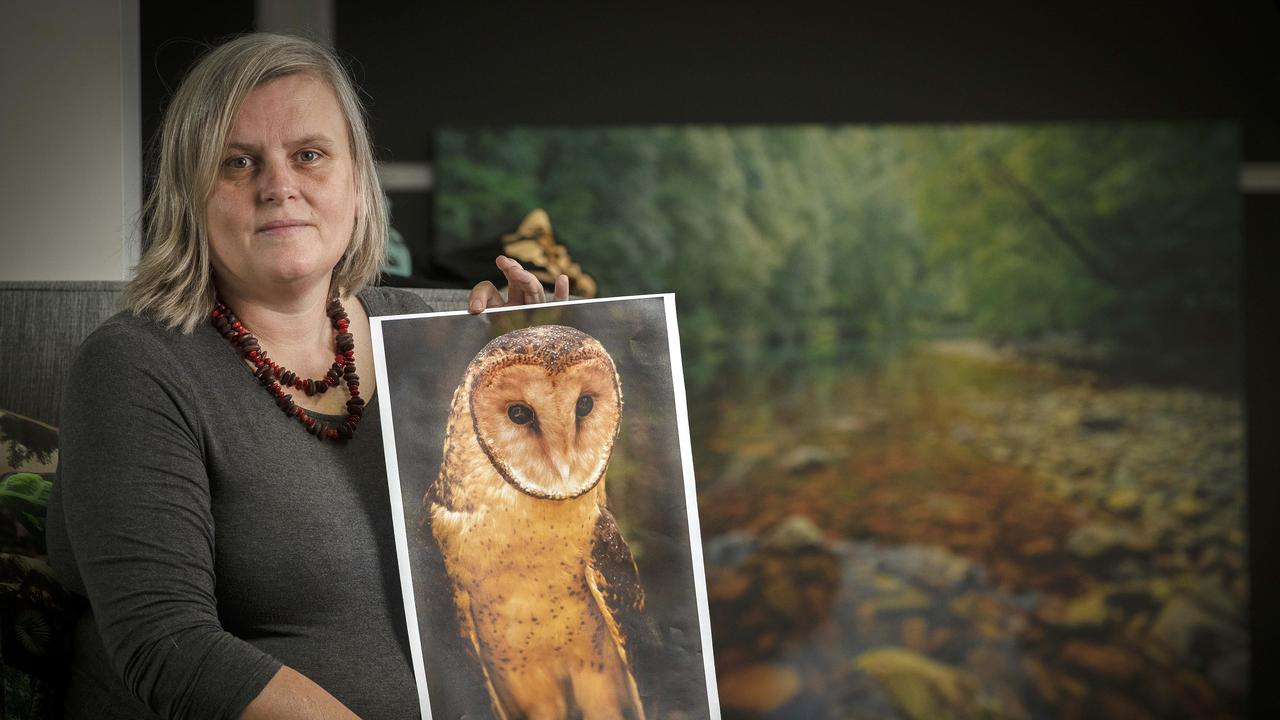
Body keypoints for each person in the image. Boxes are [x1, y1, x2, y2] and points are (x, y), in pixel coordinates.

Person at [46, 33, 567, 719]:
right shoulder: (137, 365)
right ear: (188, 192)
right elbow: (167, 644)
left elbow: (543, 583)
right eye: (238, 162)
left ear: (356, 180)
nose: (279, 186)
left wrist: (544, 372)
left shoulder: (441, 340)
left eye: (309, 155)